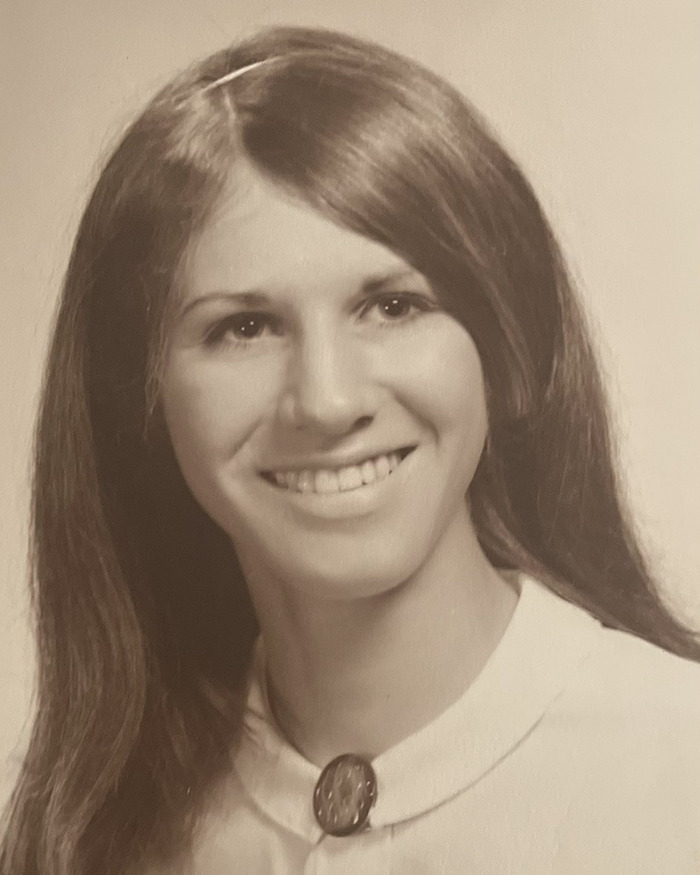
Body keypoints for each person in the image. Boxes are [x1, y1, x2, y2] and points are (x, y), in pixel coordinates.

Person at [1, 25, 699, 875]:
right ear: (140, 404)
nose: (327, 401)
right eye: (244, 327)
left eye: (393, 306)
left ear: (508, 349)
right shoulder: (86, 834)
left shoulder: (678, 771)